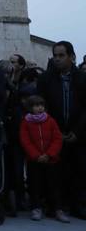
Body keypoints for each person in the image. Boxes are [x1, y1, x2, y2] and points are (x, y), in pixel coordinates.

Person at [37, 41, 86, 218]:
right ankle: (57, 205)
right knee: (56, 172)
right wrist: (55, 132)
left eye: (61, 55)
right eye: (55, 56)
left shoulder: (82, 78)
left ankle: (78, 206)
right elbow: (42, 106)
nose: (57, 59)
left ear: (71, 57)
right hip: (54, 134)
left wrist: (77, 132)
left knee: (79, 170)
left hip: (78, 134)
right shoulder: (45, 79)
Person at [19, 94, 68, 222]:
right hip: (34, 161)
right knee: (35, 185)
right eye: (36, 106)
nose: (39, 108)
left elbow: (57, 138)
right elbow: (25, 140)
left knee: (53, 185)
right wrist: (36, 155)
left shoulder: (50, 120)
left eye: (41, 105)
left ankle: (57, 209)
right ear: (30, 108)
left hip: (51, 160)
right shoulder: (26, 122)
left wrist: (49, 154)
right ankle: (36, 208)